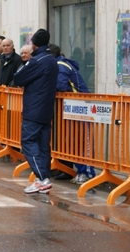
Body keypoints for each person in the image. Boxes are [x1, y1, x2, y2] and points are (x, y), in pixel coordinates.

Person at [13, 28, 59, 194]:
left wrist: (26, 63)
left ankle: (42, 178)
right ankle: (42, 179)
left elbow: (18, 78)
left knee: (28, 142)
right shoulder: (52, 59)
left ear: (33, 43)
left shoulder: (37, 61)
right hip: (46, 109)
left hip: (34, 108)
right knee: (43, 145)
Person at [49, 44, 96, 184]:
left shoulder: (61, 66)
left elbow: (61, 86)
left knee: (82, 141)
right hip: (72, 107)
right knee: (74, 141)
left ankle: (87, 172)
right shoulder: (59, 64)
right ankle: (79, 171)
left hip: (81, 106)